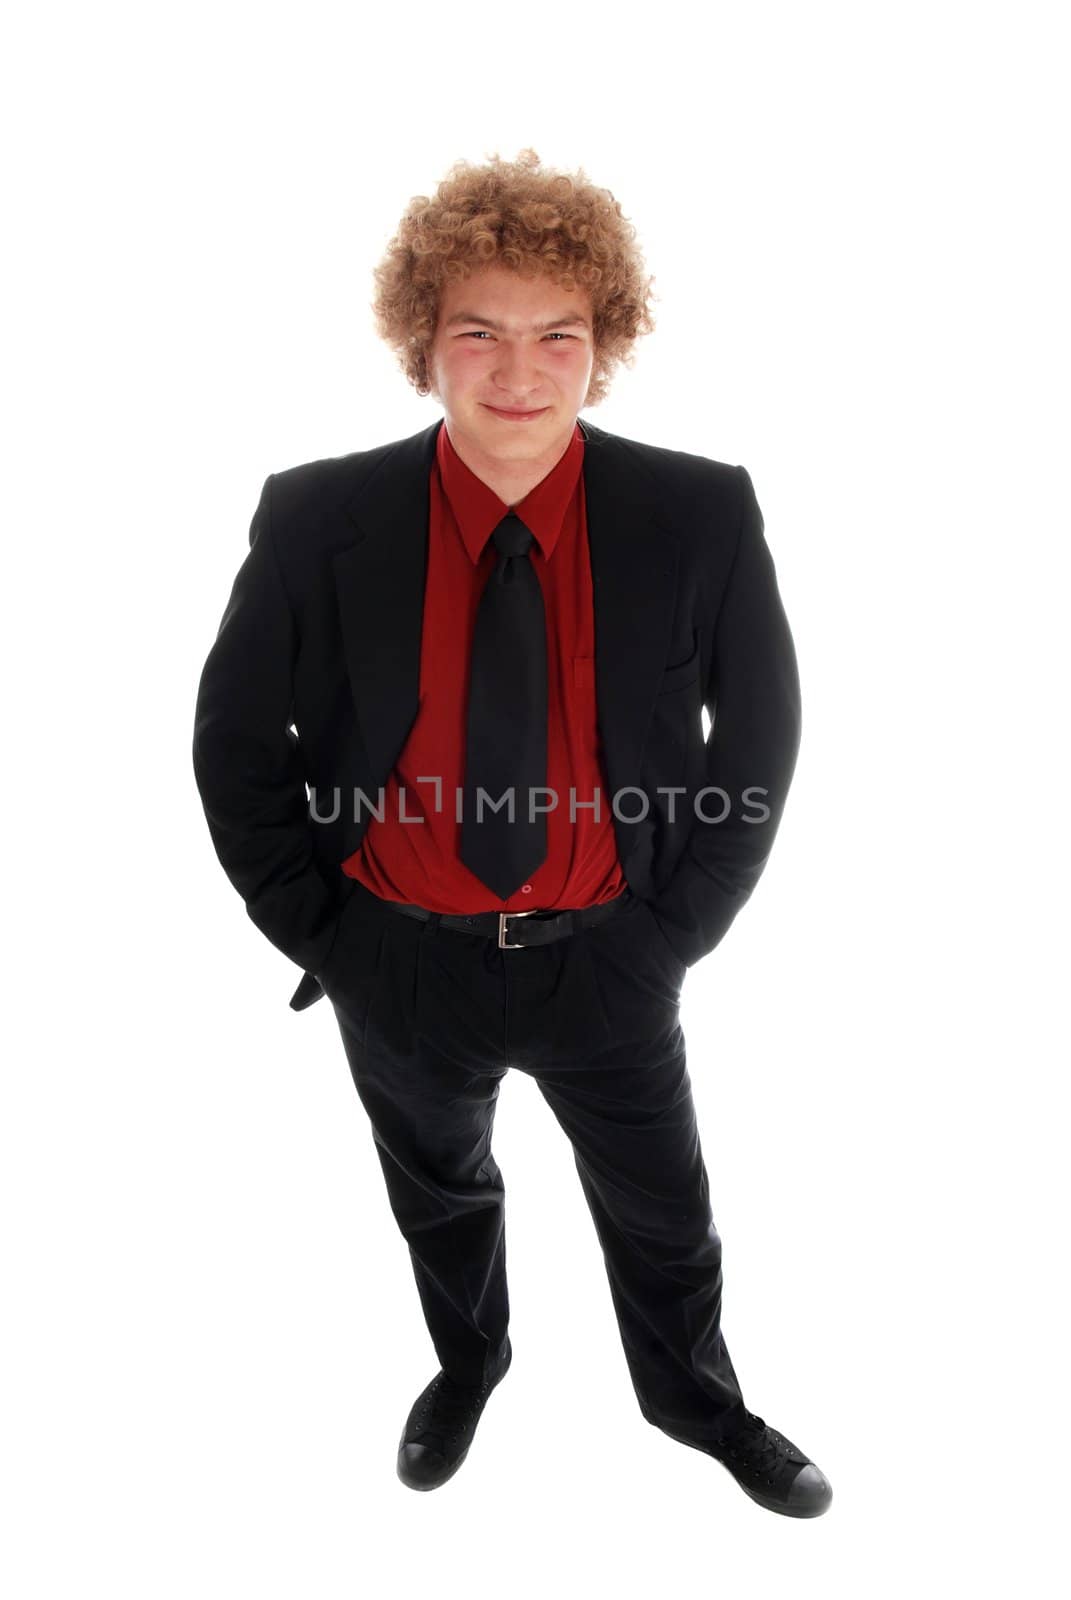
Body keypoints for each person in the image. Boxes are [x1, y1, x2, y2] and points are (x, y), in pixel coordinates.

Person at [191, 148, 832, 1517]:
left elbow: (760, 741)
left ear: (605, 349)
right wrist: (334, 938)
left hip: (611, 956)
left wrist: (675, 936)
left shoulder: (698, 511)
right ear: (423, 339)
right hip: (399, 961)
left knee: (665, 1212)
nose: (519, 372)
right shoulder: (318, 518)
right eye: (478, 332)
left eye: (560, 337)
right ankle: (470, 1362)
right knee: (440, 1190)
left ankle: (695, 1402)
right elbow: (237, 750)